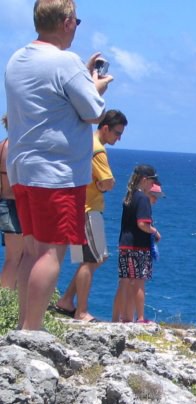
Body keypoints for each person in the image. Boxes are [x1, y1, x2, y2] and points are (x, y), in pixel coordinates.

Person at [4, 0, 111, 330]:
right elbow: (93, 110)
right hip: (57, 173)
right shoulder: (65, 62)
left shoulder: (17, 59)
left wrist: (81, 71)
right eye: (76, 22)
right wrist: (95, 82)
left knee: (32, 250)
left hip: (23, 167)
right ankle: (32, 329)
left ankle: (25, 324)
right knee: (52, 252)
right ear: (66, 23)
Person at [54, 109, 127, 322]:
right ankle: (81, 311)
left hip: (77, 206)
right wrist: (103, 185)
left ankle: (67, 300)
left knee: (96, 257)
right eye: (117, 133)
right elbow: (108, 182)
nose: (119, 138)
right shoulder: (98, 150)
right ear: (105, 128)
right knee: (90, 259)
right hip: (88, 208)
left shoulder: (84, 142)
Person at [113, 165, 161, 323]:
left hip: (125, 244)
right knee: (139, 282)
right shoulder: (142, 198)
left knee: (125, 282)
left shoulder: (130, 195)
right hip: (138, 246)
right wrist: (154, 232)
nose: (152, 184)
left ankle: (121, 317)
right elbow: (142, 223)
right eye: (152, 180)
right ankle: (140, 317)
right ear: (145, 180)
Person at [0, 114, 23, 290]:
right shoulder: (15, 148)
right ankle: (5, 300)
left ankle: (11, 297)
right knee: (15, 257)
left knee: (17, 256)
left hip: (6, 203)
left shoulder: (2, 146)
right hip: (11, 204)